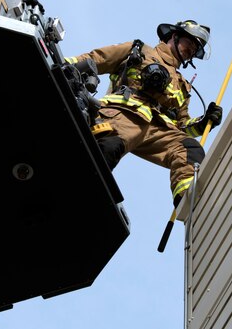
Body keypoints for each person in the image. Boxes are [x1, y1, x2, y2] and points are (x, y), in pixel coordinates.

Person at [65, 20, 223, 207]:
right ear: (175, 36)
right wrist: (63, 66)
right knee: (108, 148)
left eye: (196, 49)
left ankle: (188, 203)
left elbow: (182, 125)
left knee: (190, 149)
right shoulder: (139, 50)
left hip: (158, 129)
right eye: (190, 43)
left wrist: (204, 122)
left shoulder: (182, 85)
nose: (192, 50)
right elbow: (97, 58)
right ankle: (75, 194)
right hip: (124, 115)